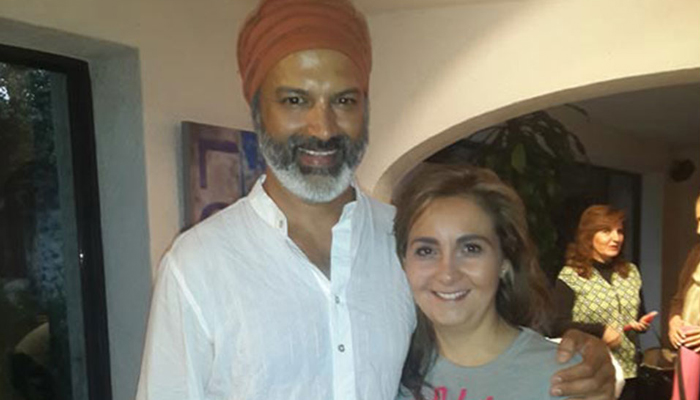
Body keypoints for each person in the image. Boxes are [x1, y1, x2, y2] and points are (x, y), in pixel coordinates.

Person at [136, 0, 616, 399]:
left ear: (365, 108)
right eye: (295, 100)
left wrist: (595, 363)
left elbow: (481, 345)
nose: (323, 128)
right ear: (258, 109)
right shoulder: (198, 266)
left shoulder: (406, 243)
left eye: (344, 100)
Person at [393, 164, 581, 400]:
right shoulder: (389, 371)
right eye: (426, 251)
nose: (447, 274)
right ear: (404, 263)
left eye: (471, 248)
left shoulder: (565, 378)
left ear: (505, 261)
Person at [553, 205, 651, 400]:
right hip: (591, 374)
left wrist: (640, 324)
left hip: (629, 373)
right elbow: (556, 325)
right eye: (606, 231)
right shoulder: (571, 275)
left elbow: (638, 313)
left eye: (619, 231)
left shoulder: (631, 272)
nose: (616, 238)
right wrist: (600, 331)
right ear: (588, 236)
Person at [667, 193, 700, 400]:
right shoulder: (696, 253)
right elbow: (678, 299)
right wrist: (674, 320)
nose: (698, 230)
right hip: (689, 355)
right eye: (698, 221)